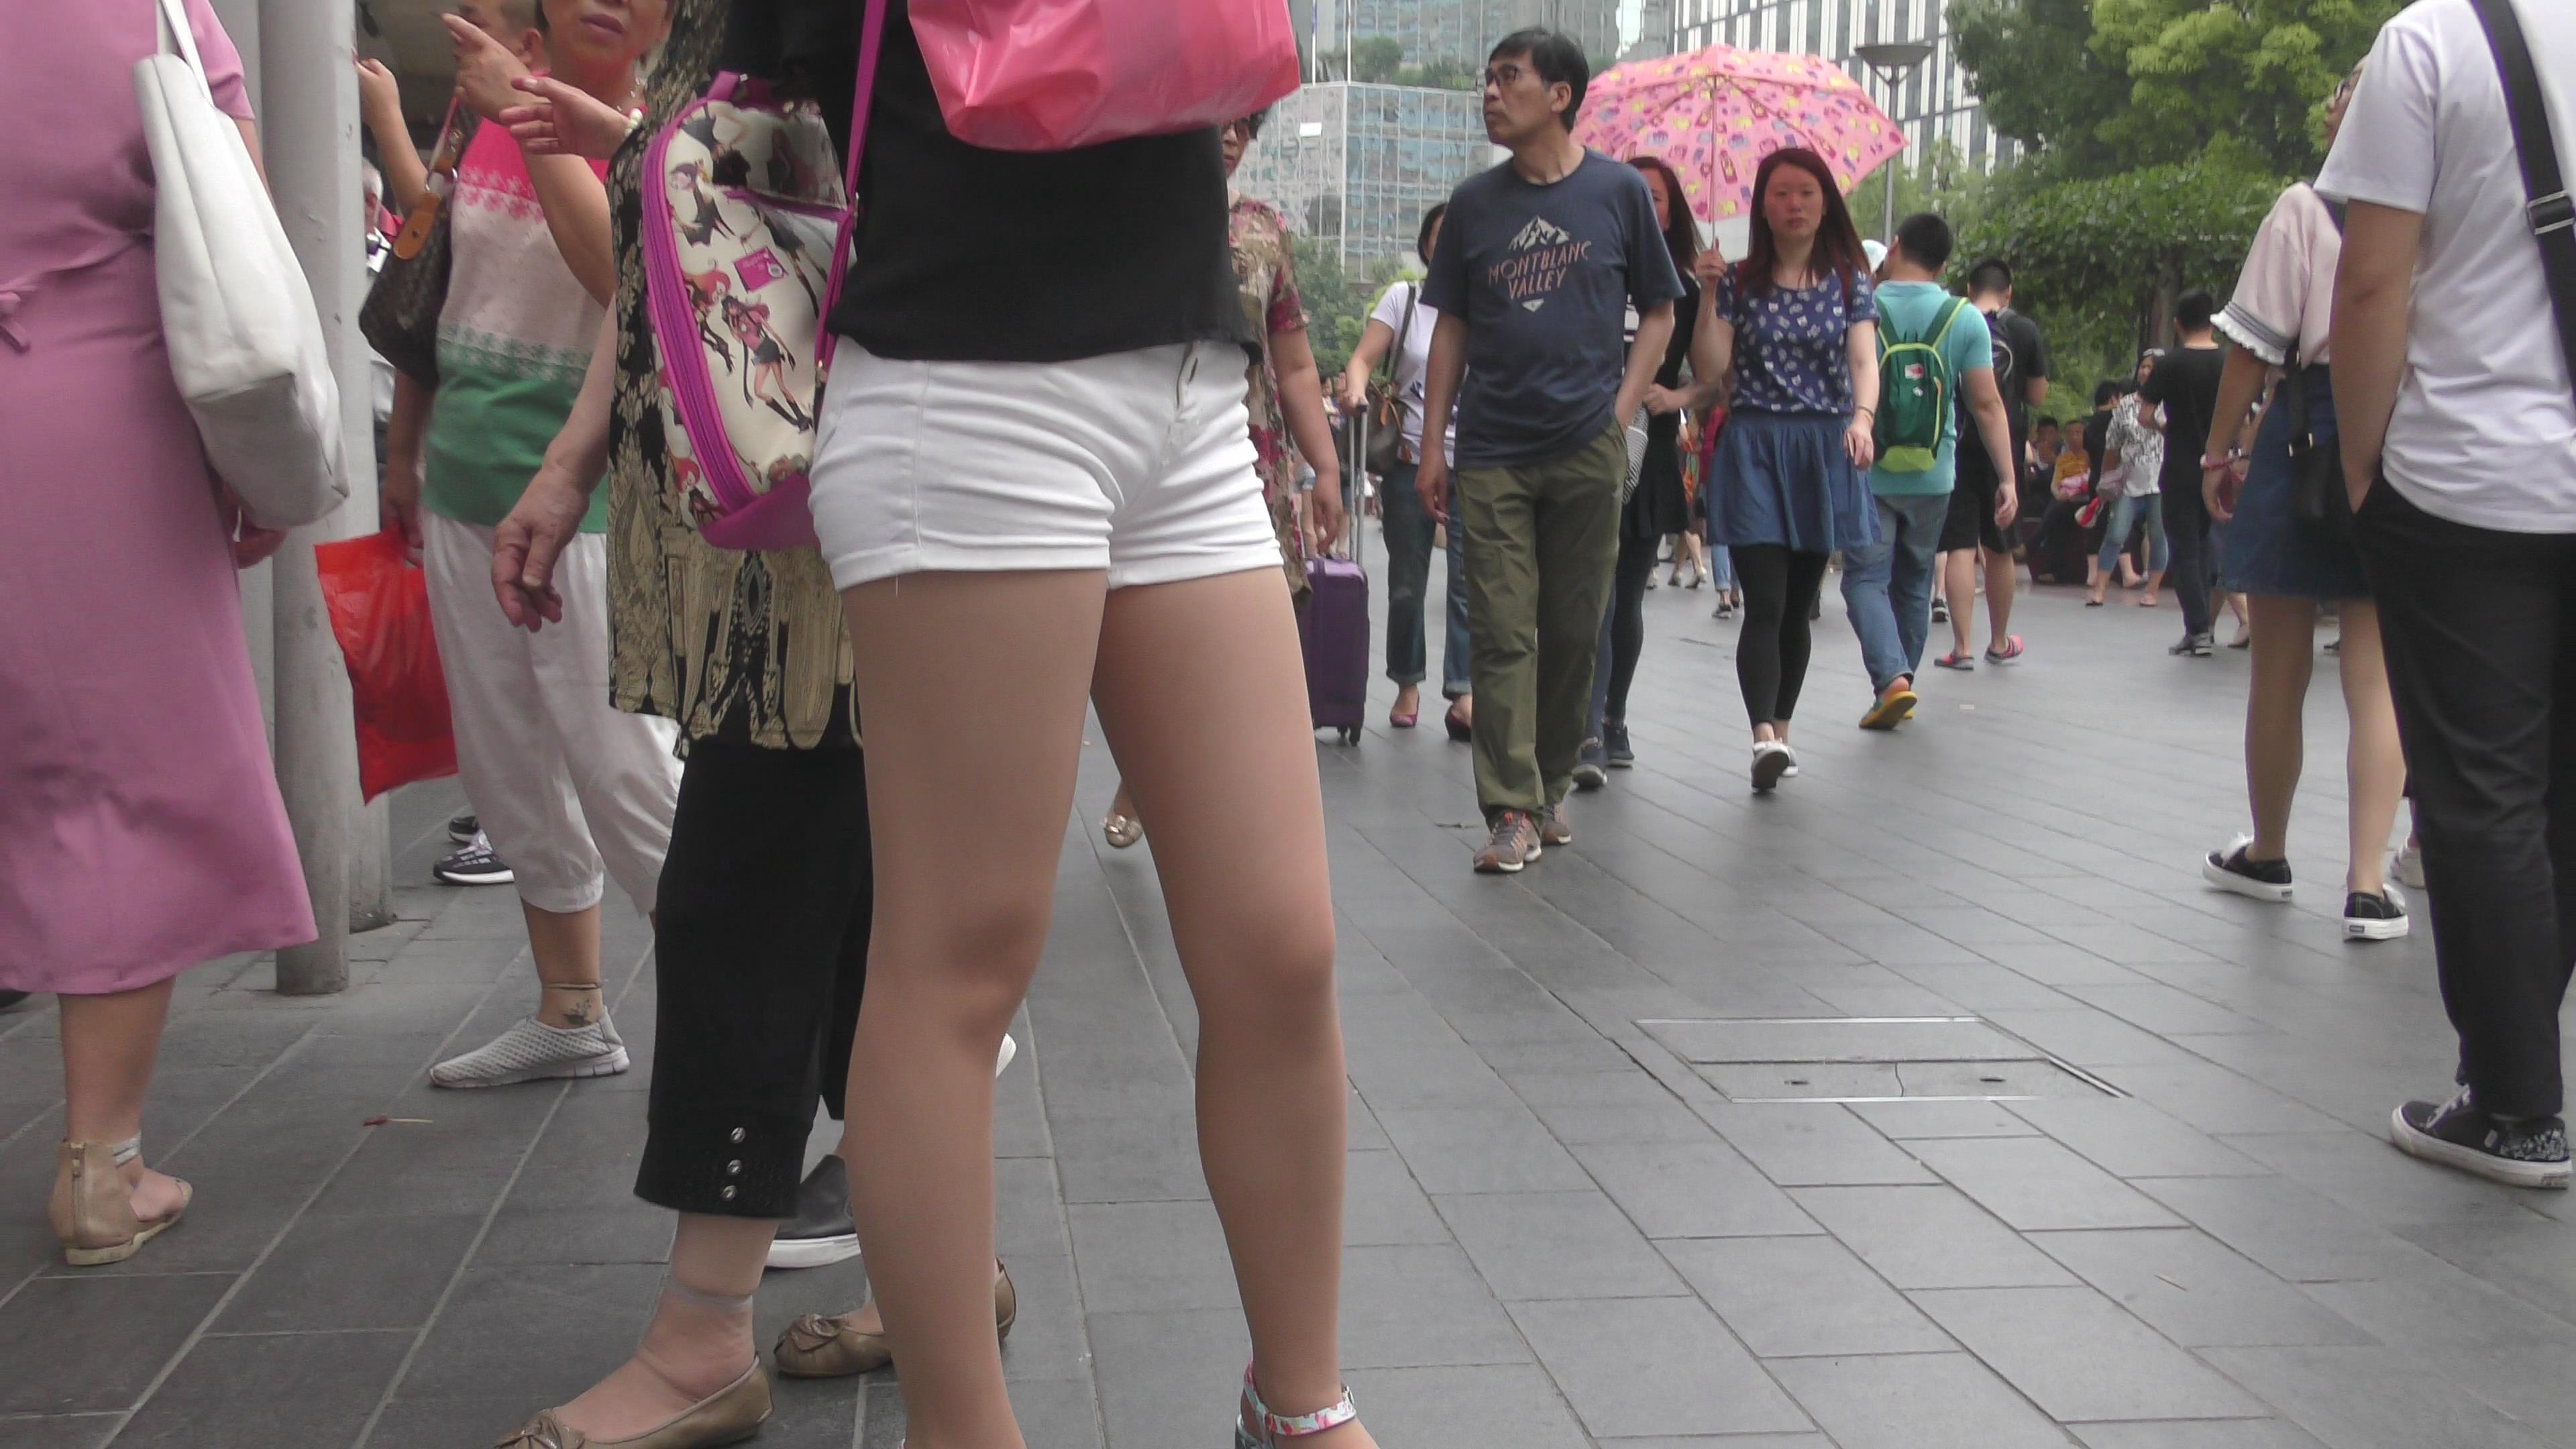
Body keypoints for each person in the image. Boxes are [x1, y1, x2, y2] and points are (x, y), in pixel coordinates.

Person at [782, 0, 1376, 1442]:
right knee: (963, 953)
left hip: (1185, 384)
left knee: (1281, 947)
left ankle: (1300, 1410)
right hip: (966, 372)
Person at [1, 0, 311, 1269]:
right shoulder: (151, 9)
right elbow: (235, 220)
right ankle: (102, 1165)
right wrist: (256, 465)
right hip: (96, 408)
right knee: (124, 786)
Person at [381, 0, 684, 1091]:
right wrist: (405, 450)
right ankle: (570, 1010)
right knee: (511, 770)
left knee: (626, 772)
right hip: (465, 484)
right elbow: (428, 284)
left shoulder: (660, 136)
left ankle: (810, 1001)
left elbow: (625, 276)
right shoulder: (479, 122)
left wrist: (529, 113)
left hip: (588, 499)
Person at [2324, 0, 2575, 1188]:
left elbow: (2373, 281)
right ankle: (2516, 1062)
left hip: (2473, 479)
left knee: (2483, 793)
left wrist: (2362, 465)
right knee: (2561, 790)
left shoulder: (2430, 41)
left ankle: (2517, 1105)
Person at [1415, 29, 1682, 870]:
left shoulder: (1618, 193)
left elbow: (1662, 310)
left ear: (1560, 95)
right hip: (1491, 450)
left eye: (1510, 78)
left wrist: (1620, 411)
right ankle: (1511, 809)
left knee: (1573, 632)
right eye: (1487, 79)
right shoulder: (1474, 204)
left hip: (1585, 447)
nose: (1491, 94)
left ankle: (1550, 786)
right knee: (1502, 633)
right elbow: (1450, 327)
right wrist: (1433, 447)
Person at [2194, 64, 2410, 944]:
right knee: (2377, 673)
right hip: (2401, 438)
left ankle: (2270, 853)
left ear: (2334, 123)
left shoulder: (2303, 209)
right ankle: (2368, 885)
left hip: (2303, 439)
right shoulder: (2439, 216)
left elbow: (2250, 350)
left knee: (2280, 666)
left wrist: (2219, 451)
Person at [1100, 108, 1343, 849]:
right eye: (1217, 117)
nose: (1232, 136)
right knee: (1130, 627)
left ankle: (1174, 785)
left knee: (1245, 631)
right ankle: (1144, 760)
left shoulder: (1263, 230)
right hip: (1126, 450)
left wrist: (1327, 466)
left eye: (1246, 122)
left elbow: (1294, 364)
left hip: (1243, 456)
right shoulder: (1115, 210)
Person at [1701, 147, 1881, 790]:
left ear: (1826, 202)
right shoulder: (1739, 281)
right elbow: (1711, 368)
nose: (1794, 204)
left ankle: (1782, 728)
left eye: (1806, 192)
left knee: (1800, 604)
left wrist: (1863, 419)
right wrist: (1709, 293)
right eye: (1780, 193)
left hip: (1824, 447)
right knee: (1766, 601)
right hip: (1754, 444)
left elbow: (1864, 360)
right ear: (1762, 206)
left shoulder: (1849, 280)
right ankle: (1761, 737)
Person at [1575, 154, 1723, 784]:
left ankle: (1612, 717)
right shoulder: (1586, 268)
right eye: (1632, 192)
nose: (1642, 204)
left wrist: (1677, 394)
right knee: (1592, 594)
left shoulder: (1683, 287)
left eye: (1656, 197)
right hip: (1584, 444)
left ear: (1672, 211)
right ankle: (1584, 727)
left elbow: (1715, 377)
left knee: (1625, 599)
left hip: (1648, 451)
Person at [1839, 212, 2015, 729]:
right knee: (1915, 584)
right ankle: (1901, 684)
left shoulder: (1861, 307)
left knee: (1864, 580)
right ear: (1943, 265)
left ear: (1894, 247)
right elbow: (1987, 405)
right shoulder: (1965, 318)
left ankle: (1890, 679)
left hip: (1867, 467)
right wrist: (2007, 477)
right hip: (1935, 474)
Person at [1340, 205, 1464, 731]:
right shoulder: (1405, 297)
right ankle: (1408, 682)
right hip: (1409, 462)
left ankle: (1464, 691)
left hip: (1476, 465)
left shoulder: (1491, 301)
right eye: (1441, 234)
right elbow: (1362, 359)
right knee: (1407, 585)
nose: (1450, 242)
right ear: (1427, 244)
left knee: (1470, 585)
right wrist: (1354, 389)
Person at [1932, 258, 2045, 669]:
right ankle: (1999, 641)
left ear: (1969, 288)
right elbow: (2037, 396)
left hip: (1957, 443)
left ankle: (1961, 647)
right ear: (2008, 292)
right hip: (2004, 447)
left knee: (1960, 545)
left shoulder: (1952, 323)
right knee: (2000, 545)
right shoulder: (2024, 330)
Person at [357, 0, 547, 217]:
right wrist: (384, 114)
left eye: (474, 23)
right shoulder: (469, 110)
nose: (456, 34)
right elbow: (429, 217)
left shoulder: (561, 124)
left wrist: (385, 116)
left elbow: (426, 216)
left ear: (527, 45)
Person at [2139, 290, 2233, 654]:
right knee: (2208, 545)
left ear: (2177, 324)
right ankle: (2206, 624)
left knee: (2185, 548)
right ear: (2213, 322)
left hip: (2180, 465)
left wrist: (2167, 429)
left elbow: (2146, 415)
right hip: (2219, 465)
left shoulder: (2170, 364)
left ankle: (2198, 629)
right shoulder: (2228, 362)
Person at [2089, 359, 2173, 606]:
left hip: (2160, 478)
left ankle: (2152, 591)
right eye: (2143, 366)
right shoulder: (2125, 404)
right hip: (2129, 477)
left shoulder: (2171, 402)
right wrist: (2105, 480)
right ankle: (2099, 589)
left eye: (2151, 367)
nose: (2145, 371)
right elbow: (2112, 444)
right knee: (2116, 533)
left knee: (2158, 535)